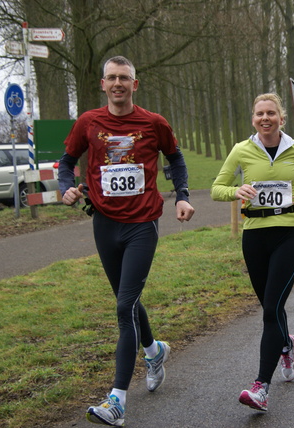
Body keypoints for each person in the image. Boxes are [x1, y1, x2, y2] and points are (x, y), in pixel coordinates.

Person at [58, 55, 195, 426]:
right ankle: (153, 352)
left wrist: (181, 194)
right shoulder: (88, 122)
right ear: (103, 84)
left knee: (123, 308)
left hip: (142, 224)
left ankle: (116, 401)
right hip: (104, 224)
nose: (118, 83)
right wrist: (66, 188)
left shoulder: (153, 123)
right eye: (111, 77)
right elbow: (66, 161)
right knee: (126, 299)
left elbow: (176, 158)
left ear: (135, 84)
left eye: (125, 78)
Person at [211, 93, 294, 412]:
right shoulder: (241, 151)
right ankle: (287, 345)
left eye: (271, 113)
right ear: (253, 119)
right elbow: (216, 188)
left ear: (281, 118)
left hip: (290, 232)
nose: (265, 118)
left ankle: (261, 386)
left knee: (271, 307)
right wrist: (236, 191)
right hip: (255, 236)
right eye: (260, 113)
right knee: (271, 307)